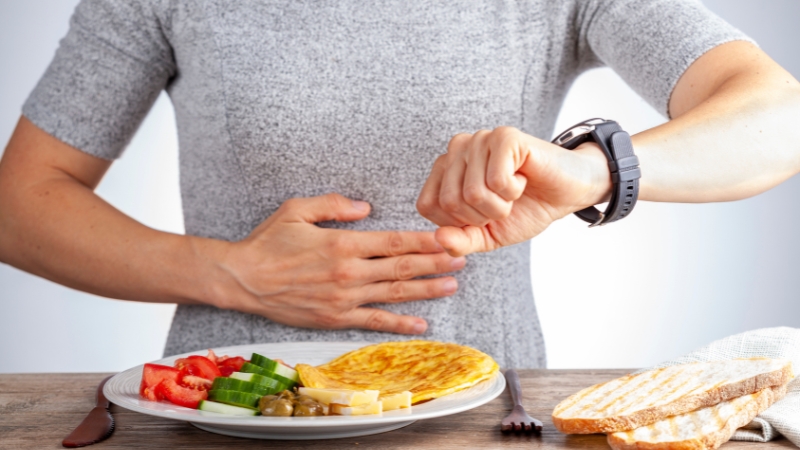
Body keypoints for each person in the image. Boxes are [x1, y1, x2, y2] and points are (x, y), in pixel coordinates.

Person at [0, 0, 798, 369]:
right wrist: (232, 272)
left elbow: (776, 116)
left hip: (482, 421)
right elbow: (20, 203)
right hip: (224, 412)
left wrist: (594, 170)